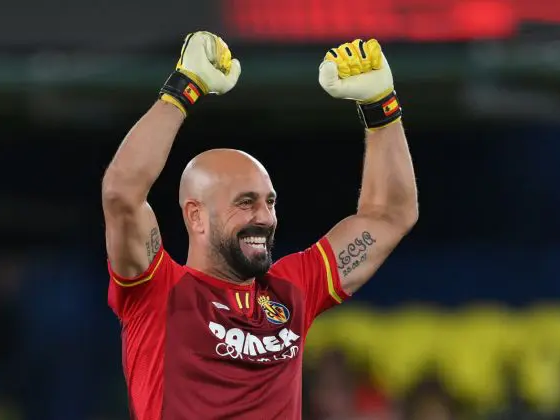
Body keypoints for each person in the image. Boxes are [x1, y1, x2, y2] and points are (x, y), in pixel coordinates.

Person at [102, 31, 418, 419]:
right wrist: (182, 91)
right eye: (245, 203)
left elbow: (391, 215)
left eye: (270, 202)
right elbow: (121, 194)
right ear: (196, 216)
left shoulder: (292, 291)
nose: (265, 218)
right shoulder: (157, 292)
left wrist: (381, 108)